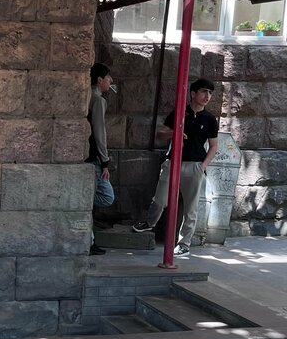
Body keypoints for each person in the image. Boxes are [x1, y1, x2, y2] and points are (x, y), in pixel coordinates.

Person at [132, 77, 219, 256]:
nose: (207, 96)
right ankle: (150, 222)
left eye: (210, 93)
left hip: (195, 165)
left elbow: (214, 146)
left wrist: (203, 166)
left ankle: (184, 243)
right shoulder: (179, 113)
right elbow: (160, 135)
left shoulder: (210, 119)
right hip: (173, 162)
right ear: (193, 93)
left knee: (191, 208)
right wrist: (174, 133)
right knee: (160, 199)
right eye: (204, 91)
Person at [86, 63, 116, 256]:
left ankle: (90, 240)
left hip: (88, 155)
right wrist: (105, 161)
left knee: (91, 200)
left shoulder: (88, 96)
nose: (110, 80)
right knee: (106, 196)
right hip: (94, 156)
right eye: (108, 77)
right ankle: (89, 241)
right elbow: (99, 133)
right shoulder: (97, 100)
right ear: (99, 79)